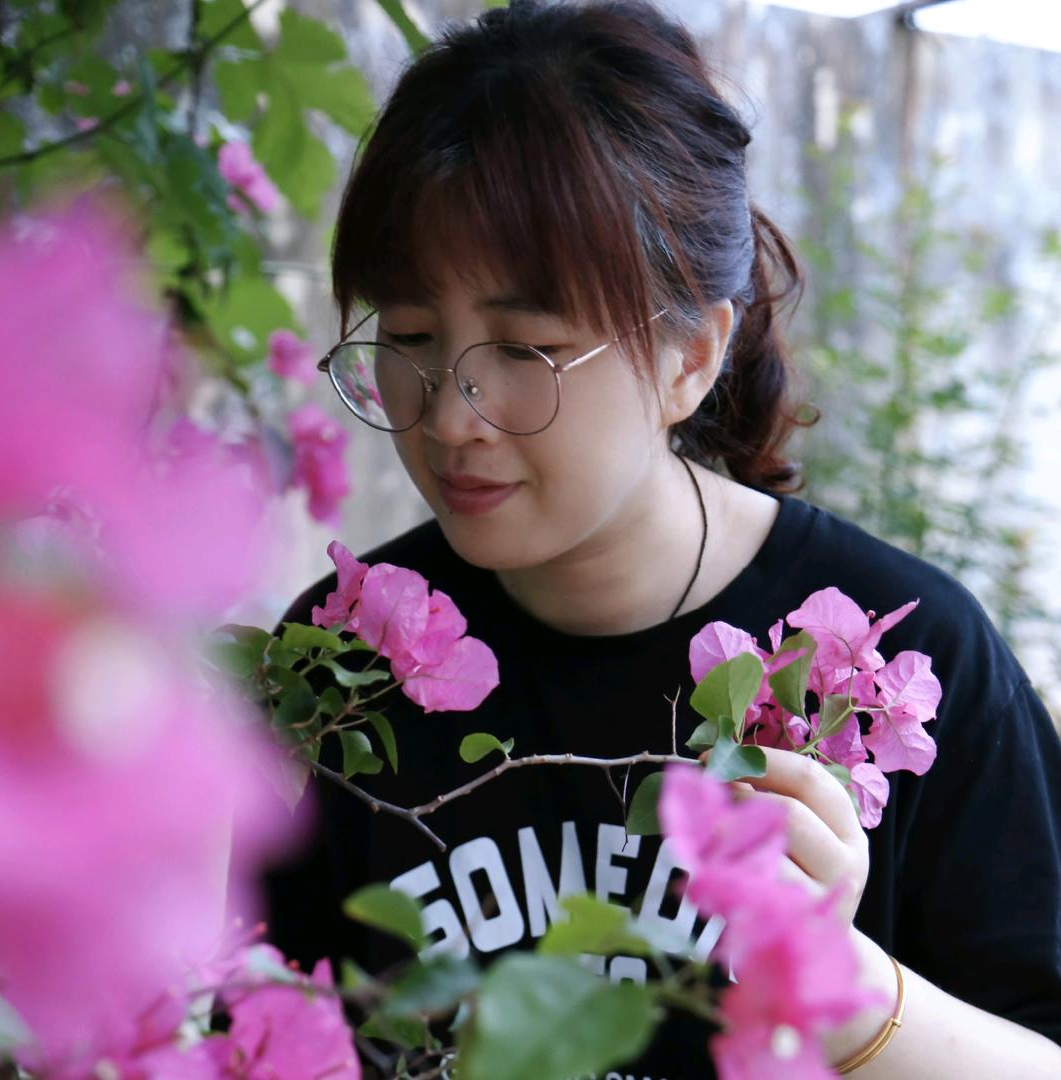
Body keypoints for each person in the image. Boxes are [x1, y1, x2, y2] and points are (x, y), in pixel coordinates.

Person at [261, 1, 1061, 1075]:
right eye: (407, 337)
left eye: (527, 348)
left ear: (691, 354)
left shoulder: (907, 664)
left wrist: (852, 988)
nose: (450, 416)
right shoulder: (345, 661)